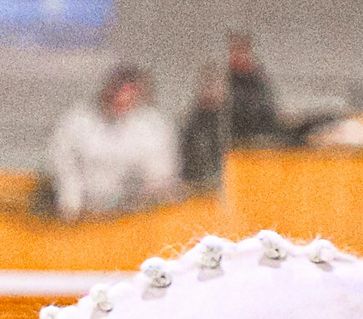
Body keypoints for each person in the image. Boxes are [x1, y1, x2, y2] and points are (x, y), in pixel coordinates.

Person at [48, 65, 181, 218]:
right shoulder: (77, 121)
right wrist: (71, 203)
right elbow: (62, 165)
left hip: (132, 214)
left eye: (129, 95)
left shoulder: (153, 126)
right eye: (117, 92)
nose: (121, 99)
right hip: (81, 211)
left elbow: (160, 173)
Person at [179, 64, 228, 190]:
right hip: (201, 187)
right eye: (207, 85)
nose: (210, 90)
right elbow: (187, 162)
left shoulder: (230, 119)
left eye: (215, 85)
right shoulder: (191, 122)